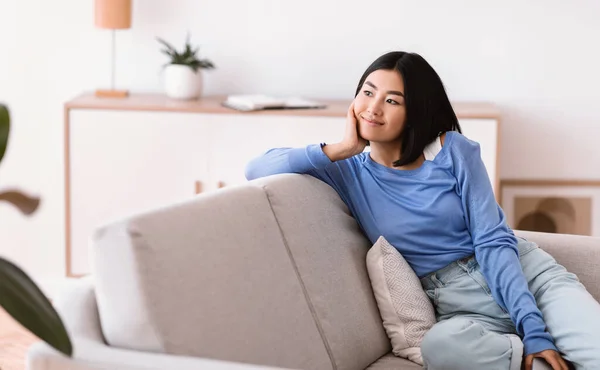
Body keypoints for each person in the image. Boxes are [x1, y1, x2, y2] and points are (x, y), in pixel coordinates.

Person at [244, 51, 600, 370]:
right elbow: (257, 168)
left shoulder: (451, 150)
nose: (373, 108)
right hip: (463, 309)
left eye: (392, 100)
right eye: (367, 92)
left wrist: (533, 329)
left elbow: (492, 240)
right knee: (440, 346)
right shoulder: (347, 171)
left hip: (527, 277)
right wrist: (341, 147)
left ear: (415, 110)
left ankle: (541, 345)